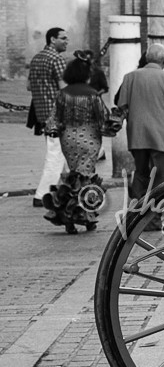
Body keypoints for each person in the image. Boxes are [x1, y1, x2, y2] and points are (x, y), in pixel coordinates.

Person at [42, 58, 118, 233]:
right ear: (86, 75)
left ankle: (68, 218)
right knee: (86, 177)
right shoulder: (92, 95)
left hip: (68, 138)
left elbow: (54, 118)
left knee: (73, 176)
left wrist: (53, 130)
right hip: (90, 138)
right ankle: (86, 217)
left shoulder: (62, 94)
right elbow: (103, 119)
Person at [114, 42, 164, 203]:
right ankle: (154, 213)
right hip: (161, 137)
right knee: (159, 177)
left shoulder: (129, 77)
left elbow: (121, 105)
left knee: (141, 172)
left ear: (146, 57)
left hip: (137, 136)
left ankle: (137, 209)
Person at [28, 27, 70, 208]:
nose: (67, 41)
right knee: (56, 154)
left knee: (63, 153)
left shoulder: (36, 58)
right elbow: (64, 87)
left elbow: (29, 86)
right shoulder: (56, 59)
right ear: (52, 39)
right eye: (63, 38)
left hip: (42, 113)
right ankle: (42, 194)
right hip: (57, 114)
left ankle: (70, 190)